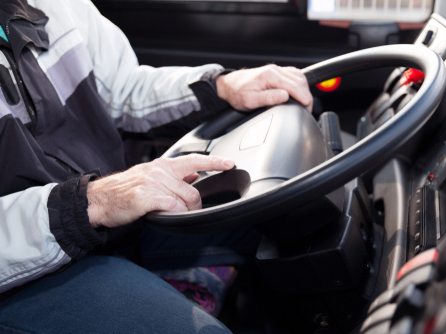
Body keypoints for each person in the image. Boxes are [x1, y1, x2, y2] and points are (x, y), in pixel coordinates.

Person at [0, 0, 313, 333]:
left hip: (111, 228)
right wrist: (90, 204)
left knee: (286, 209)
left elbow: (122, 89)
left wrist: (219, 87)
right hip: (28, 274)